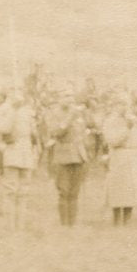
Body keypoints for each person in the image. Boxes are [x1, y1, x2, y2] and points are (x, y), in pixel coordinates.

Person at [0, 92, 38, 230]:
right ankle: (10, 227)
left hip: (26, 152)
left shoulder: (26, 111)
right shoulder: (1, 110)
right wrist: (12, 109)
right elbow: (4, 128)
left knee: (24, 191)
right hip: (12, 151)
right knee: (11, 191)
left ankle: (21, 226)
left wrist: (35, 148)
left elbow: (33, 133)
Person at [102, 98, 137, 225]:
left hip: (134, 157)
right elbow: (112, 141)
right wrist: (126, 129)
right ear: (114, 106)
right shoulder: (110, 121)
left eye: (125, 104)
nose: (123, 107)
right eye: (120, 104)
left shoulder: (131, 120)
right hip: (119, 156)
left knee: (131, 189)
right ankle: (116, 220)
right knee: (118, 189)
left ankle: (127, 220)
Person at [49, 95, 90, 226]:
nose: (69, 100)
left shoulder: (77, 114)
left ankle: (72, 224)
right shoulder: (55, 114)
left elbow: (82, 132)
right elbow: (56, 132)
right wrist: (69, 118)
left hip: (78, 156)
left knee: (75, 191)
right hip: (64, 156)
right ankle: (64, 224)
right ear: (60, 98)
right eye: (65, 96)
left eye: (71, 96)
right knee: (64, 191)